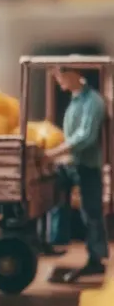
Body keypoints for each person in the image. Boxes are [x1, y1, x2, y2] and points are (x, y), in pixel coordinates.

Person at [47, 67, 108, 282]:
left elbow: (85, 136)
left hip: (88, 166)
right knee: (52, 193)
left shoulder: (93, 101)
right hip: (72, 163)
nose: (57, 79)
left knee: (91, 212)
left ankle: (96, 258)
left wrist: (55, 152)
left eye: (59, 74)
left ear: (72, 73)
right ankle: (55, 242)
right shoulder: (75, 100)